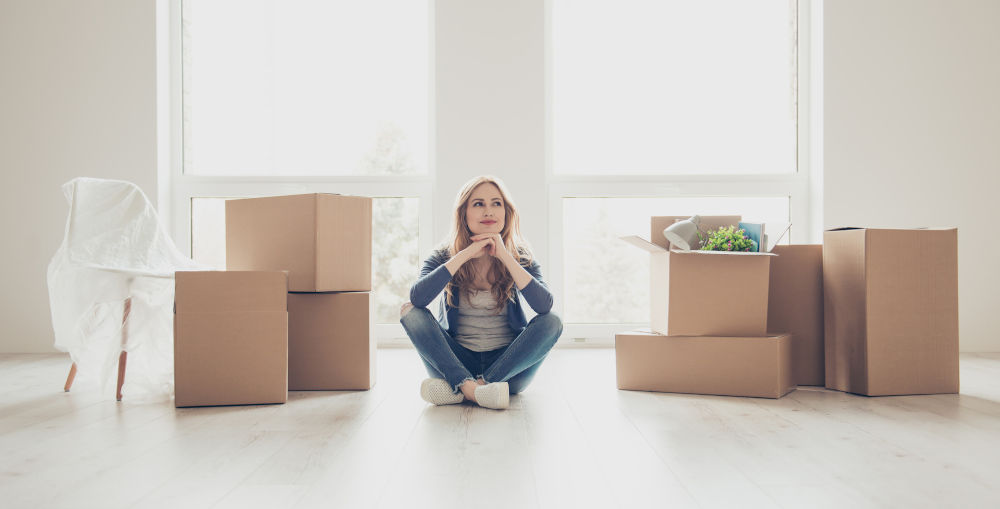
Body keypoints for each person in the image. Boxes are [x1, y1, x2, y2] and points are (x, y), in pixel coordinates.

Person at [400, 176, 563, 410]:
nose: (489, 211)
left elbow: (544, 306)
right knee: (410, 312)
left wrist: (505, 256)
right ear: (463, 213)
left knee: (553, 321)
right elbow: (418, 298)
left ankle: (464, 389)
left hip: (508, 365)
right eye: (478, 204)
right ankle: (471, 388)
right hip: (456, 361)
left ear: (506, 213)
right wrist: (465, 254)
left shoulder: (522, 256)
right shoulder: (444, 255)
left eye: (496, 203)